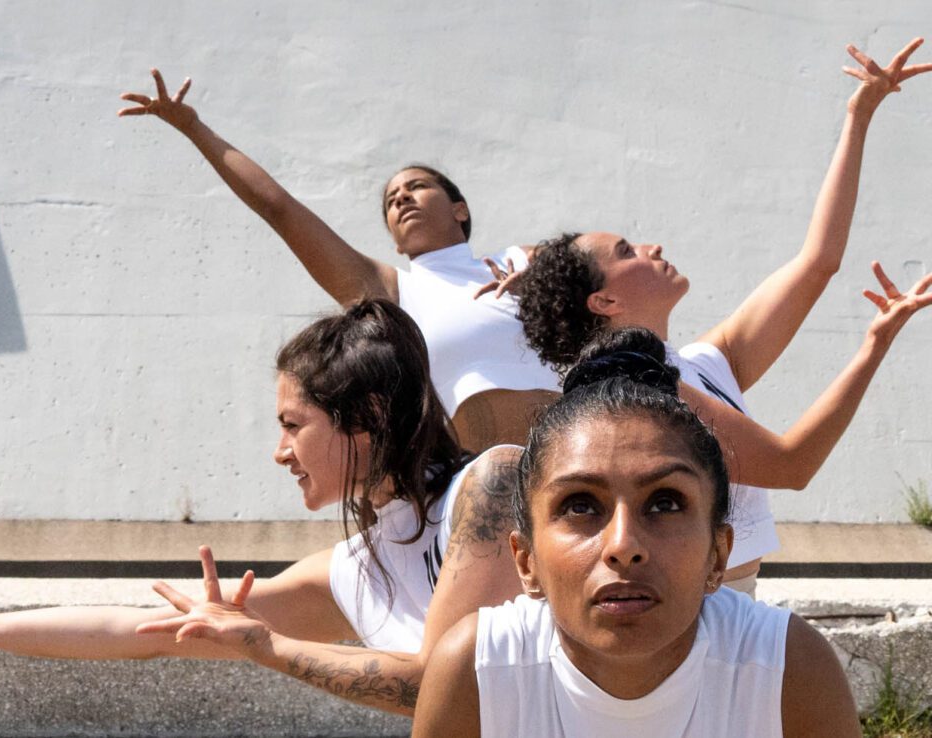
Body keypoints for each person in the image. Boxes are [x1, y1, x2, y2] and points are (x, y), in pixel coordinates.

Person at [0, 299, 522, 716]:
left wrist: (265, 647)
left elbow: (445, 687)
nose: (279, 452)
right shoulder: (355, 567)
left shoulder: (489, 483)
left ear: (368, 419)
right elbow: (148, 633)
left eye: (292, 425)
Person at [504, 38, 932, 595]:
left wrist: (859, 115)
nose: (654, 247)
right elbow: (793, 465)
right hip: (694, 624)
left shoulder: (701, 361)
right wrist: (874, 347)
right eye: (628, 251)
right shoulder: (637, 390)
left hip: (725, 609)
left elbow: (818, 262)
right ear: (604, 302)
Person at [411, 328, 862, 737]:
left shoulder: (786, 671)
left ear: (719, 556)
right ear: (526, 561)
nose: (624, 545)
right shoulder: (478, 673)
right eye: (580, 505)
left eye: (665, 503)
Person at [116, 75, 558, 452]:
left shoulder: (525, 260)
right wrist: (194, 128)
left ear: (459, 209)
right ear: (395, 243)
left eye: (417, 187)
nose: (401, 196)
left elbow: (608, 275)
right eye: (391, 200)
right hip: (495, 487)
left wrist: (550, 284)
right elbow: (280, 209)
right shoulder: (395, 293)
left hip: (587, 463)